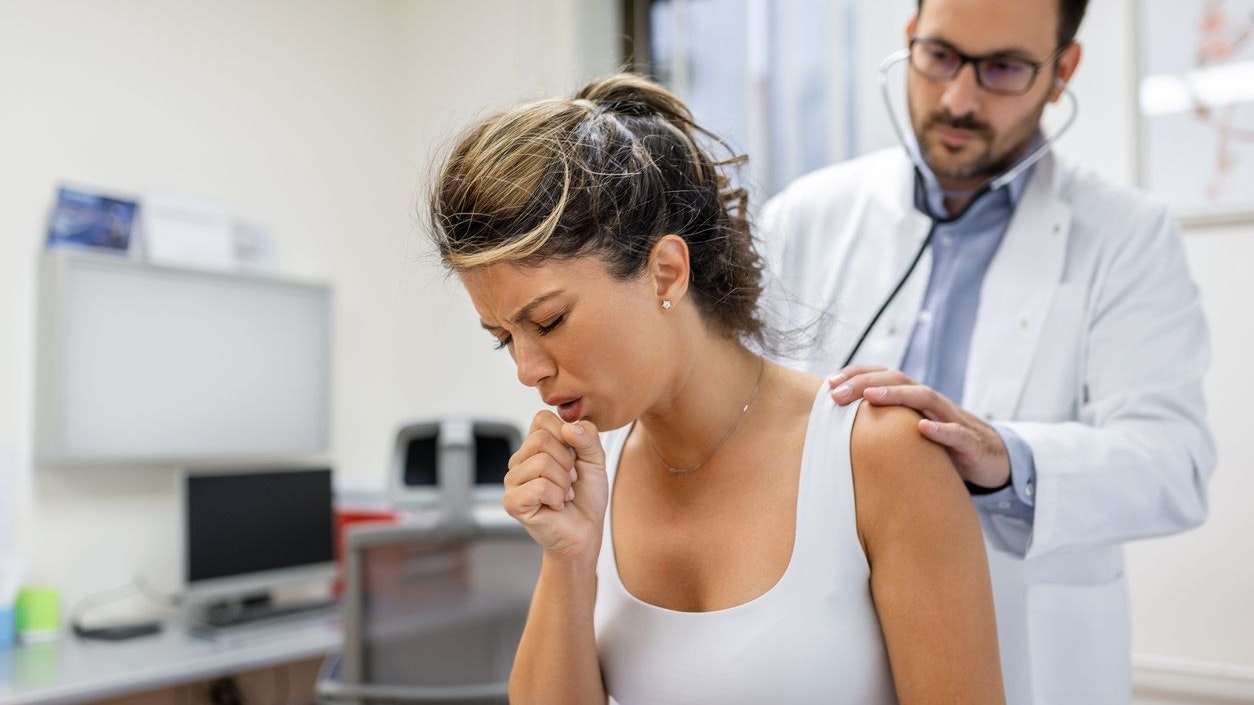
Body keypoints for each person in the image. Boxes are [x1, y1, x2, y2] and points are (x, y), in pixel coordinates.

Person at [427, 74, 1005, 704]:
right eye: (503, 337)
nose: (527, 368)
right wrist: (567, 560)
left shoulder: (878, 455)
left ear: (666, 272)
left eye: (549, 322)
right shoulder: (589, 480)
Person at [757, 0, 1217, 703]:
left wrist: (1007, 457)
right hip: (821, 648)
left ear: (1062, 71)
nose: (958, 98)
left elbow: (1174, 463)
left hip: (1030, 656)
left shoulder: (1128, 235)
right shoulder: (805, 216)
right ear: (908, 38)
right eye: (939, 56)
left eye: (1003, 68)